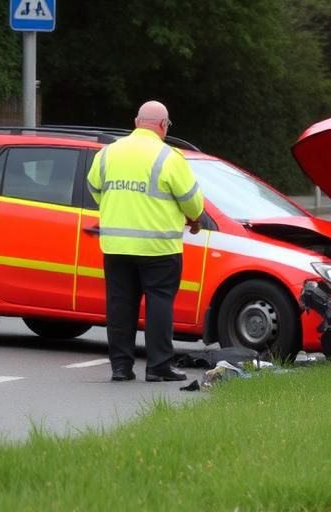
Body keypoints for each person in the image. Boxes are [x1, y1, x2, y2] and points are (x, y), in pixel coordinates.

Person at [86, 101, 204, 382]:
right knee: (159, 303)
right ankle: (158, 366)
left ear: (136, 122)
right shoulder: (169, 157)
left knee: (120, 304)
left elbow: (93, 187)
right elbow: (193, 202)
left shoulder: (107, 154)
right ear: (164, 126)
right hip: (159, 247)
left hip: (116, 246)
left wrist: (116, 208)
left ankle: (120, 367)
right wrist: (194, 219)